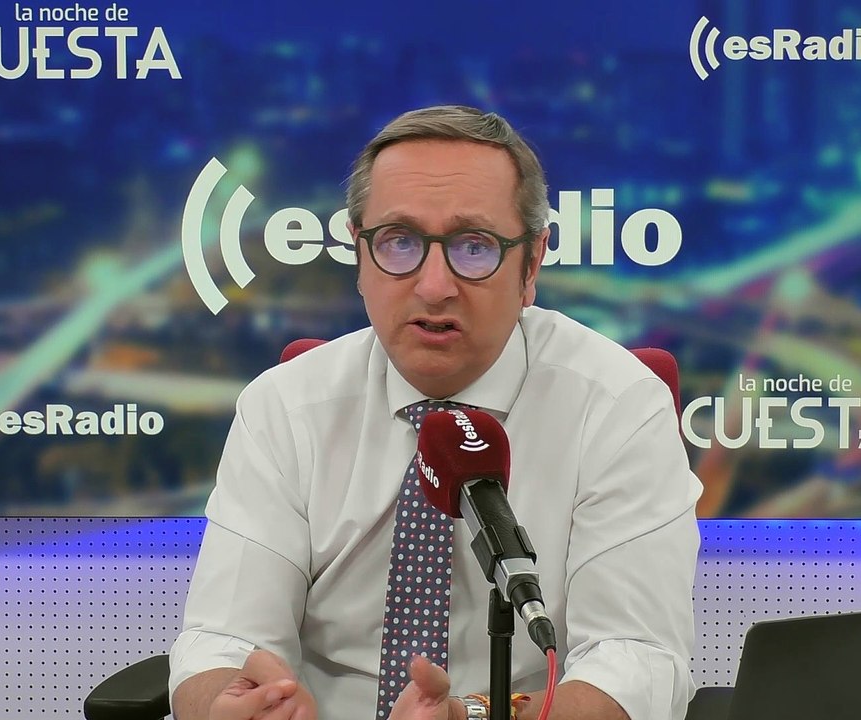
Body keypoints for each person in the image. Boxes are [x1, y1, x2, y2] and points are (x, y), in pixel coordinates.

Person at [169, 105, 702, 720]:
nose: (433, 286)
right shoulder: (285, 406)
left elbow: (636, 661)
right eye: (399, 242)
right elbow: (222, 639)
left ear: (531, 264)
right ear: (360, 255)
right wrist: (231, 704)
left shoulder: (617, 405)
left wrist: (475, 716)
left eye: (474, 247)